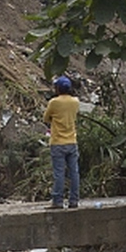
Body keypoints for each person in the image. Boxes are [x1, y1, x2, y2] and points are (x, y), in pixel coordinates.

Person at [44, 76, 80, 208]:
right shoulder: (75, 102)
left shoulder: (54, 102)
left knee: (59, 173)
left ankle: (58, 201)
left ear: (58, 88)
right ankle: (74, 200)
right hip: (72, 141)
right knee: (74, 172)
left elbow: (46, 118)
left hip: (58, 142)